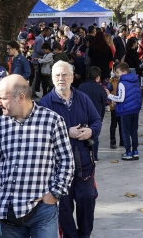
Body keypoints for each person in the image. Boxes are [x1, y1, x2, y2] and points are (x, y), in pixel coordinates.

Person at [0, 74, 74, 237]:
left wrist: (54, 194)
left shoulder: (52, 121)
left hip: (42, 212)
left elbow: (67, 162)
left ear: (21, 97)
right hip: (8, 213)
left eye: (2, 98)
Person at [39, 61, 101, 238]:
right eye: (57, 75)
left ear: (72, 77)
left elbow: (97, 121)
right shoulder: (45, 103)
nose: (61, 78)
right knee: (64, 208)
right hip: (58, 168)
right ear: (52, 78)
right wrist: (67, 132)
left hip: (84, 165)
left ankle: (85, 235)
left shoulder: (83, 98)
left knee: (87, 199)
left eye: (64, 75)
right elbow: (42, 134)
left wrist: (91, 131)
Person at [78, 67, 107, 161]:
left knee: (82, 135)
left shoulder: (81, 87)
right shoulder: (101, 89)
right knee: (94, 136)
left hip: (82, 115)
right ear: (98, 78)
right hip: (96, 115)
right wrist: (101, 117)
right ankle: (94, 157)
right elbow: (103, 105)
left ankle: (83, 156)